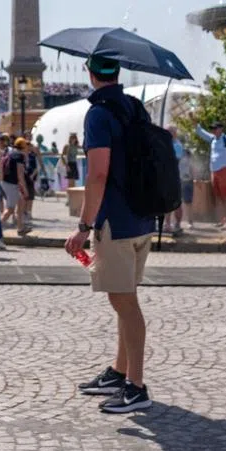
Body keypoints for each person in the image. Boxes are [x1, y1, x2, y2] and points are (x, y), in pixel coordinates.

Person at [67, 55, 156, 413]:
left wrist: (83, 227)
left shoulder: (98, 114)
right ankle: (119, 373)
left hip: (115, 222)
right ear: (116, 73)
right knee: (125, 296)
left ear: (90, 73)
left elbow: (98, 174)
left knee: (124, 302)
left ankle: (136, 387)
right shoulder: (135, 107)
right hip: (141, 216)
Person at [195, 117, 226, 231]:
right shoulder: (212, 139)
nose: (213, 130)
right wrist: (193, 120)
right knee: (218, 197)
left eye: (215, 128)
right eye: (212, 128)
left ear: (221, 129)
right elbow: (200, 131)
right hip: (214, 171)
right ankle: (221, 220)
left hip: (223, 170)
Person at [1, 139, 32, 236]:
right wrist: (25, 189)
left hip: (7, 183)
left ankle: (20, 228)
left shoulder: (12, 153)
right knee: (10, 209)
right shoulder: (20, 156)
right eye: (26, 145)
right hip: (11, 184)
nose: (28, 147)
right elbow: (20, 175)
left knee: (21, 203)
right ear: (23, 146)